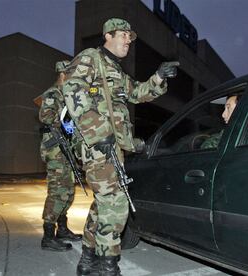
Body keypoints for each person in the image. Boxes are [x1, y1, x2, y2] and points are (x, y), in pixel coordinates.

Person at [62, 18, 179, 275]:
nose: (129, 40)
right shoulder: (91, 58)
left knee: (102, 206)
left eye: (130, 36)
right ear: (108, 35)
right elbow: (72, 89)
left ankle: (88, 259)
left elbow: (137, 93)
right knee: (116, 205)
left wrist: (159, 77)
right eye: (124, 35)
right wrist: (98, 133)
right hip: (97, 145)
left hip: (113, 147)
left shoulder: (115, 69)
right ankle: (108, 267)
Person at [39, 60, 83, 252]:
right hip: (55, 151)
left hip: (66, 150)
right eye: (71, 76)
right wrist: (64, 120)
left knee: (69, 192)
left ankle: (62, 229)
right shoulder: (52, 94)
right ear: (63, 75)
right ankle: (48, 237)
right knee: (57, 192)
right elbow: (45, 117)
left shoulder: (66, 97)